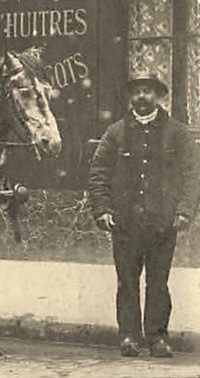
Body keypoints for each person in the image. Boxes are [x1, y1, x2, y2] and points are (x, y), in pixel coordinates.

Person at [88, 73, 199, 358]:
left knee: (158, 282)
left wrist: (185, 211)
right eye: (137, 91)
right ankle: (128, 337)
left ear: (159, 96)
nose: (142, 97)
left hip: (163, 223)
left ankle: (158, 338)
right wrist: (101, 209)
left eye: (148, 91)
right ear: (130, 97)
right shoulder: (115, 133)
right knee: (127, 282)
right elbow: (98, 173)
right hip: (125, 224)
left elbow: (192, 175)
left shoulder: (178, 133)